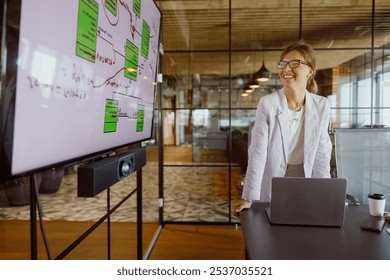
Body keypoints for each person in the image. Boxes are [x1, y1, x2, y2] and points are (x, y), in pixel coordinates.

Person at [235, 41, 332, 212]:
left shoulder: (322, 105)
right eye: (283, 64)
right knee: (274, 225)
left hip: (305, 174)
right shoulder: (268, 104)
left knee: (304, 221)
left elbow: (322, 152)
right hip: (274, 175)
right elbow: (258, 152)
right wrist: (249, 197)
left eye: (295, 63)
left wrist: (325, 194)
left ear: (310, 71)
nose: (286, 69)